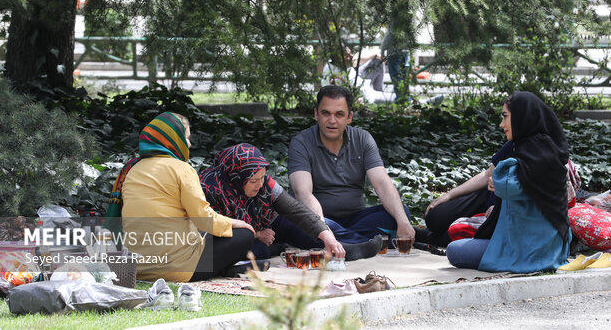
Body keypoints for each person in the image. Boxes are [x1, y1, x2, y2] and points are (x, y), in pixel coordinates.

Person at [109, 112, 255, 282]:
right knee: (244, 235)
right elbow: (203, 219)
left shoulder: (131, 170)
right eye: (186, 137)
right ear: (173, 139)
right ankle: (226, 267)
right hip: (176, 270)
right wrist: (236, 223)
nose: (189, 143)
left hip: (136, 267)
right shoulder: (181, 169)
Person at [446, 91, 571, 272]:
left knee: (454, 250)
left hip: (527, 249)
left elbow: (508, 187)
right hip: (553, 247)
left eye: (505, 117)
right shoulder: (546, 148)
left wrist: (497, 183)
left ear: (521, 117)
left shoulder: (532, 152)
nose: (501, 124)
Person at [200, 143, 382, 261]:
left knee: (308, 227)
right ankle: (277, 247)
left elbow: (295, 210)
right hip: (234, 235)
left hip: (267, 223)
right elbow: (212, 229)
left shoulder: (264, 184)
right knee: (257, 252)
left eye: (262, 177)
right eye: (253, 181)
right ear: (236, 178)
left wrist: (327, 237)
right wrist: (256, 234)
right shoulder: (210, 188)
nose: (260, 185)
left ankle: (352, 248)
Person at [288, 85, 415, 244]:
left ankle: (346, 241)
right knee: (298, 225)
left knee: (400, 213)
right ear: (316, 114)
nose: (332, 121)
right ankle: (361, 243)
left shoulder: (362, 139)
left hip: (356, 219)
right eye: (326, 113)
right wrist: (322, 229)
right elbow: (302, 193)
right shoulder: (301, 143)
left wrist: (402, 221)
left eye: (339, 114)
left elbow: (382, 184)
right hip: (317, 219)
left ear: (349, 117)